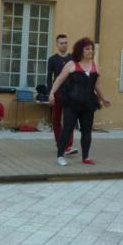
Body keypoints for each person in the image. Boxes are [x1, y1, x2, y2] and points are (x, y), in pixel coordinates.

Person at [49, 37, 111, 166]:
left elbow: (97, 85)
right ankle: (60, 156)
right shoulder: (72, 64)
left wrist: (104, 98)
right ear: (80, 50)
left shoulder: (94, 65)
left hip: (88, 103)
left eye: (92, 49)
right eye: (87, 49)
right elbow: (59, 79)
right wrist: (51, 93)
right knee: (67, 129)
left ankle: (85, 157)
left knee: (87, 131)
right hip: (72, 103)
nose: (90, 51)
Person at [47, 34, 77, 155]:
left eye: (65, 42)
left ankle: (68, 146)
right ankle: (60, 143)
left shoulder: (73, 59)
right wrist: (50, 93)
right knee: (56, 119)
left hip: (70, 93)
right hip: (57, 93)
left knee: (70, 119)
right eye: (61, 43)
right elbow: (49, 78)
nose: (64, 45)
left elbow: (76, 76)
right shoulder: (52, 59)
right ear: (57, 44)